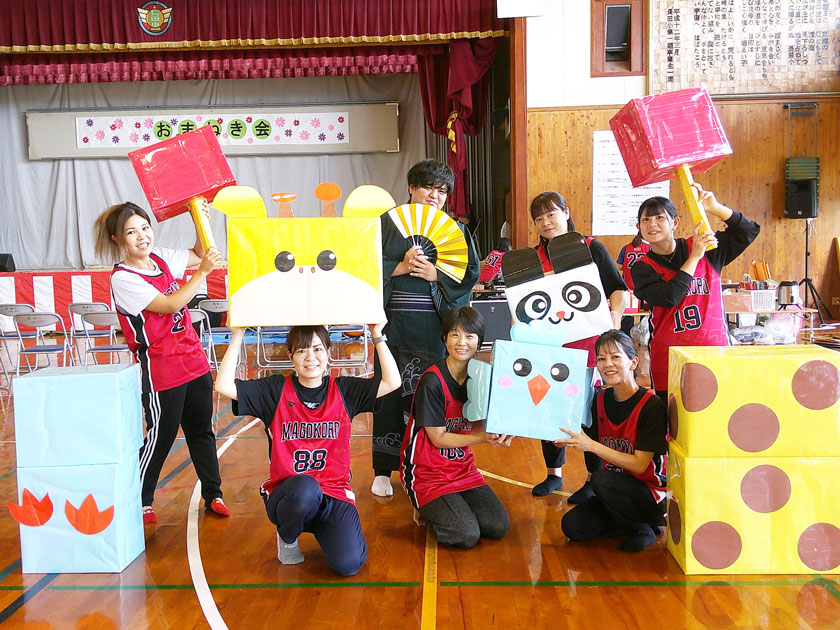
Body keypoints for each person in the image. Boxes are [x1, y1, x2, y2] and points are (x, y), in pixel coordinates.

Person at [215, 323, 400, 576]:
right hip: (290, 495)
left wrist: (376, 333)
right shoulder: (275, 390)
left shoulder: (344, 390)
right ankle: (288, 536)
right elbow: (224, 386)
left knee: (348, 565)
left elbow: (392, 382)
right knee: (306, 488)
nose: (311, 357)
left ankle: (326, 529)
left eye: (317, 349)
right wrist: (237, 335)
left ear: (328, 353)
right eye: (302, 351)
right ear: (291, 356)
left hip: (333, 493)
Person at [93, 202, 229, 524]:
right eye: (131, 232)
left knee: (201, 431)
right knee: (160, 437)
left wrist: (199, 219)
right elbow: (170, 304)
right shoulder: (123, 278)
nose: (141, 236)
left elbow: (198, 252)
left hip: (194, 360)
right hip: (161, 368)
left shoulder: (161, 257)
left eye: (145, 228)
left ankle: (214, 494)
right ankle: (139, 500)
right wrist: (202, 273)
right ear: (117, 239)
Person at [371, 159, 480, 498]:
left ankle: (429, 464)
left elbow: (470, 273)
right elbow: (364, 263)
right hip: (394, 326)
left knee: (434, 395)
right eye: (428, 187)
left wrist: (437, 275)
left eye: (442, 190)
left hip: (436, 328)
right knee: (388, 393)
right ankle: (382, 469)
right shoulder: (387, 223)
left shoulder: (456, 229)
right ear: (411, 188)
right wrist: (400, 267)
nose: (435, 195)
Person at [528, 191, 629, 498]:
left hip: (589, 347)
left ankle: (592, 480)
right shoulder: (534, 257)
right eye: (539, 218)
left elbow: (618, 289)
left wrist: (614, 321)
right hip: (549, 349)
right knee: (549, 409)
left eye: (551, 214)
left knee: (590, 413)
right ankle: (553, 474)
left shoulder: (591, 247)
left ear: (566, 212)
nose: (546, 222)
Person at [630, 184, 760, 404]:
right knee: (674, 417)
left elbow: (749, 231)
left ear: (675, 222)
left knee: (716, 411)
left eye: (660, 217)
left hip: (714, 352)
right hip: (670, 357)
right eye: (646, 220)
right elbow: (671, 296)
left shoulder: (705, 247)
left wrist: (715, 207)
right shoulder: (642, 267)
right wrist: (694, 257)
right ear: (638, 227)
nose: (652, 224)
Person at [400, 306, 512, 548]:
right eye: (455, 335)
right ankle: (423, 503)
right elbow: (438, 438)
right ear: (445, 339)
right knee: (466, 534)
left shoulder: (481, 378)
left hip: (461, 469)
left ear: (479, 342)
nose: (462, 342)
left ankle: (444, 506)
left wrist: (505, 429)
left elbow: (488, 421)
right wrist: (483, 438)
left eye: (470, 336)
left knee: (498, 526)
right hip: (426, 473)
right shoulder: (432, 381)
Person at [556, 330, 668, 552]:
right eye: (601, 359)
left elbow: (639, 465)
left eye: (615, 357)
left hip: (650, 494)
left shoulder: (651, 405)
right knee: (572, 526)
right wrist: (566, 439)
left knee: (601, 478)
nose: (608, 364)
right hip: (616, 490)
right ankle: (630, 522)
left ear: (633, 362)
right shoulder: (601, 398)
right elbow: (590, 440)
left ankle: (642, 528)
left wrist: (591, 445)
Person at [616, 231, 650, 335]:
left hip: (628, 283)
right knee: (644, 310)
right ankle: (643, 334)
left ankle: (626, 335)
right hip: (645, 283)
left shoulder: (626, 248)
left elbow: (620, 266)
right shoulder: (649, 248)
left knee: (629, 310)